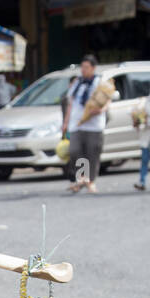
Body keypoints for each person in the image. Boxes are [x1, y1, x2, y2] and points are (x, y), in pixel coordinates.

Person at [62, 54, 107, 194]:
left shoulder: (100, 83)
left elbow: (107, 101)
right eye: (82, 67)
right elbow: (71, 103)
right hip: (77, 123)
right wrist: (66, 121)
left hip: (93, 124)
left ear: (93, 68)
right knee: (76, 151)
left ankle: (90, 181)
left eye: (86, 67)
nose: (83, 70)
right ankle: (81, 178)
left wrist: (100, 110)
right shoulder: (77, 82)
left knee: (92, 153)